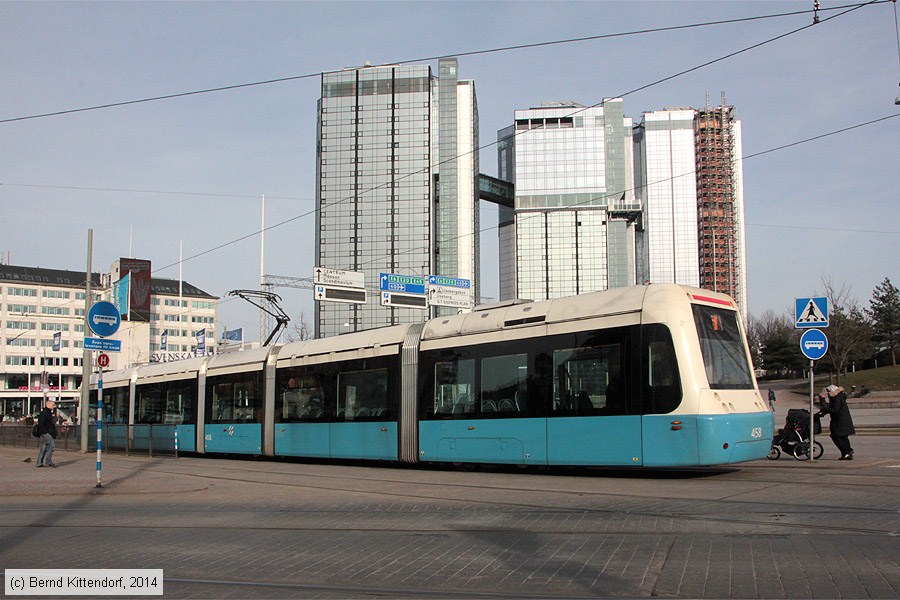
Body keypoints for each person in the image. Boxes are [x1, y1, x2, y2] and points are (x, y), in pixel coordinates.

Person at [818, 385, 855, 460]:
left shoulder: (835, 397)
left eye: (828, 391)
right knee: (843, 436)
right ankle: (847, 452)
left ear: (832, 391)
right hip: (844, 420)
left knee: (836, 436)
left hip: (839, 421)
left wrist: (822, 401)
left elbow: (834, 409)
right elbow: (833, 407)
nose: (827, 393)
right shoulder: (839, 396)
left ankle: (846, 451)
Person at [36, 399, 58, 468]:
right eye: (53, 405)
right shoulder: (46, 413)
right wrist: (45, 431)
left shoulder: (45, 412)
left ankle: (39, 462)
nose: (54, 406)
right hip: (46, 432)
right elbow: (42, 424)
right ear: (48, 405)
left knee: (44, 447)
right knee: (52, 446)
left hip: (44, 432)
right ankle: (48, 462)